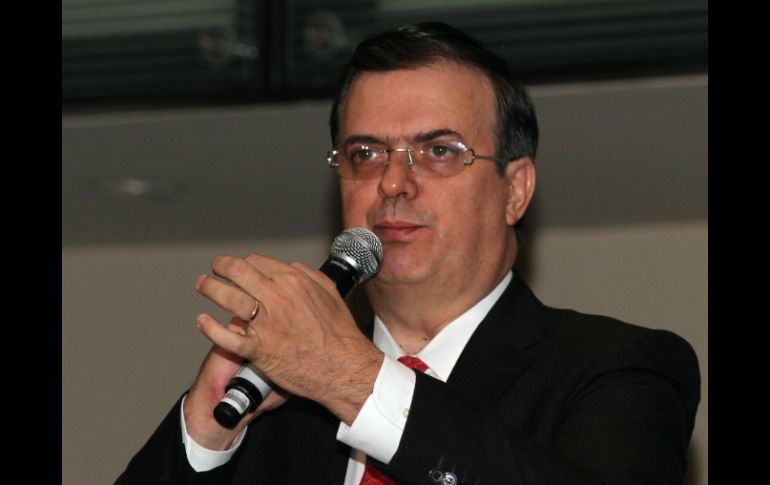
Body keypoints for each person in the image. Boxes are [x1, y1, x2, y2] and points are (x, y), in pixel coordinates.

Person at [116, 22, 700, 485]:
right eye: (366, 154)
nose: (393, 182)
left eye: (440, 151)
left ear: (515, 190)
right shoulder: (278, 403)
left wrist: (352, 380)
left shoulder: (621, 369)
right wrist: (204, 434)